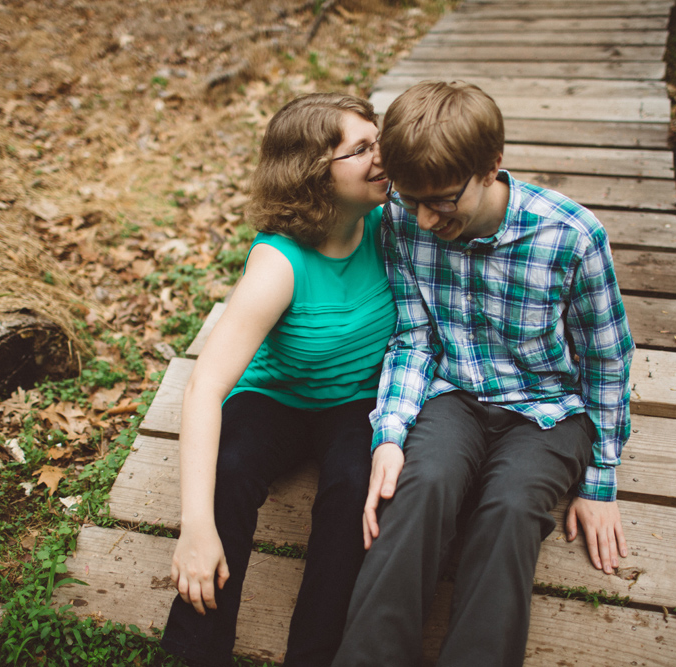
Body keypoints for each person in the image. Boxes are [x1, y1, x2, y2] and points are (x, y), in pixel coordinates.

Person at [331, 81, 635, 667]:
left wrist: (599, 481)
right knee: (419, 489)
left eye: (441, 199)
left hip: (548, 410)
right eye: (411, 198)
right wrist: (390, 434)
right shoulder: (402, 216)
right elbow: (414, 336)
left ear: (492, 165)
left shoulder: (571, 237)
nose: (422, 219)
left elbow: (606, 361)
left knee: (511, 508)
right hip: (454, 393)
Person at [158, 93, 396, 667]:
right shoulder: (279, 263)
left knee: (354, 487)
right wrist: (194, 528)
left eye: (377, 138)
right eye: (361, 149)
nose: (381, 157)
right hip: (276, 395)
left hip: (356, 400)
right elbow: (204, 387)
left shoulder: (392, 223)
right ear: (314, 173)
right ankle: (194, 654)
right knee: (233, 467)